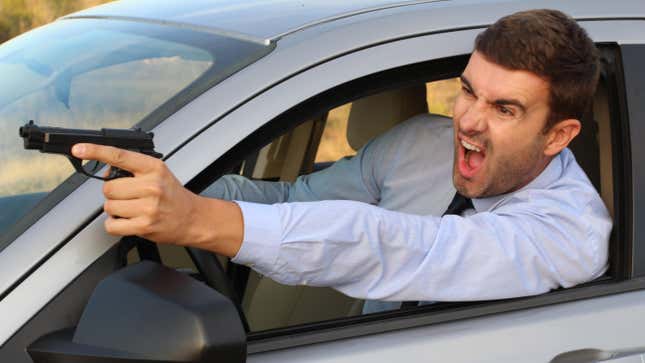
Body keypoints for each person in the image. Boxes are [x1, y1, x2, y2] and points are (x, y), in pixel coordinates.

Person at [70, 9, 612, 304]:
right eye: (468, 90)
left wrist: (199, 220)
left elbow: (400, 248)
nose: (467, 121)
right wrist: (165, 188)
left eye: (505, 109)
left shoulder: (569, 236)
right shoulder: (422, 141)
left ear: (558, 136)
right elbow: (290, 198)